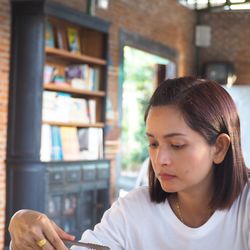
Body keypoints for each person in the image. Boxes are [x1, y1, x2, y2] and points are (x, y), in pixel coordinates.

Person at [9, 76, 249, 250]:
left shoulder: (244, 209)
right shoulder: (133, 210)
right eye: (153, 144)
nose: (159, 160)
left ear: (219, 147)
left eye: (176, 145)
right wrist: (24, 226)